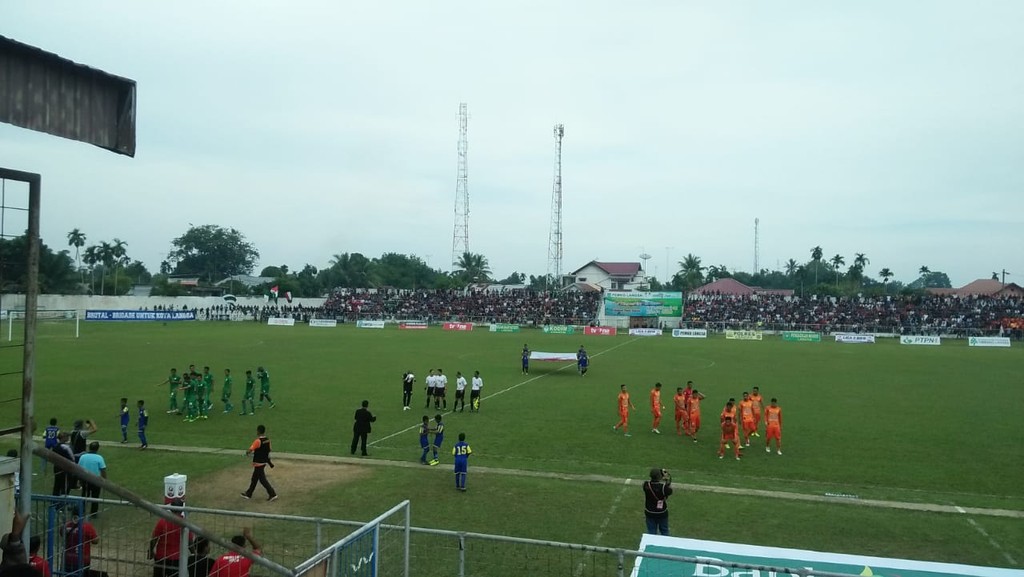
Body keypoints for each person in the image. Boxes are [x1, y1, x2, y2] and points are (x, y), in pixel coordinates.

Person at [150, 498, 189, 577]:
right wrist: (196, 554)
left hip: (161, 557)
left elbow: (154, 538)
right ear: (181, 510)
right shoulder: (184, 523)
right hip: (175, 558)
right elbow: (190, 540)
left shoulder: (162, 521)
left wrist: (151, 551)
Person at [241, 425, 277, 501]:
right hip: (264, 461)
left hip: (258, 462)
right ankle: (249, 493)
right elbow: (270, 449)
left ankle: (272, 494)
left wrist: (247, 453)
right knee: (254, 478)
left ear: (258, 431)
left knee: (262, 480)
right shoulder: (267, 440)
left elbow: (250, 449)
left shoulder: (257, 441)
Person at [62, 507, 99, 574]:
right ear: (83, 515)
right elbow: (95, 541)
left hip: (68, 559)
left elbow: (61, 533)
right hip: (83, 560)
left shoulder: (66, 525)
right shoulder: (87, 527)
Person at [78, 441, 107, 516]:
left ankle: (82, 511)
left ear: (89, 447)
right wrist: (104, 480)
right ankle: (94, 513)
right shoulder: (99, 457)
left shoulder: (83, 456)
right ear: (97, 449)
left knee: (84, 496)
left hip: (85, 479)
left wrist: (79, 480)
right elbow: (103, 470)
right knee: (95, 497)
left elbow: (79, 468)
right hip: (95, 480)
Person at [642, 468, 673, 535]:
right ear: (659, 476)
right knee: (664, 531)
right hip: (662, 512)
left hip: (649, 512)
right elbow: (670, 491)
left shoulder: (646, 485)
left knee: (651, 532)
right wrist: (667, 480)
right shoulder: (663, 487)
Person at [51, 432, 76, 496]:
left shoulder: (55, 446)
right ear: (63, 438)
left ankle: (54, 501)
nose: (68, 438)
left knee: (57, 485)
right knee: (65, 486)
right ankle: (63, 501)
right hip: (66, 469)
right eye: (67, 437)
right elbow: (72, 458)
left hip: (57, 468)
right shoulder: (66, 447)